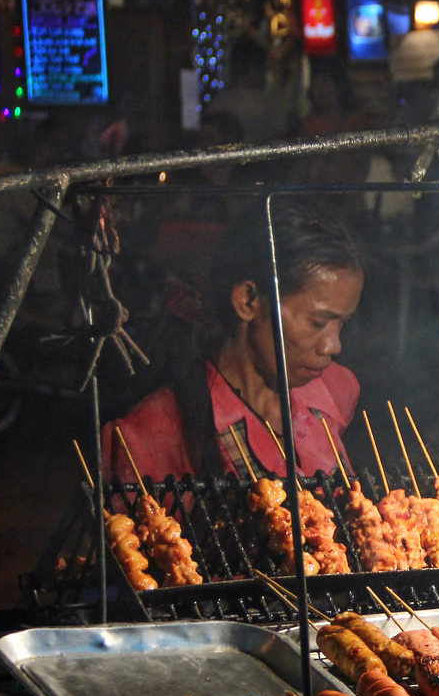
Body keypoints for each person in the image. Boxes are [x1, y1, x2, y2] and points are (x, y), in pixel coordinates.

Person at [104, 200, 363, 484]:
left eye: (342, 323)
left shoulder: (331, 390)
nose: (333, 346)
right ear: (248, 300)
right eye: (318, 322)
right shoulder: (152, 434)